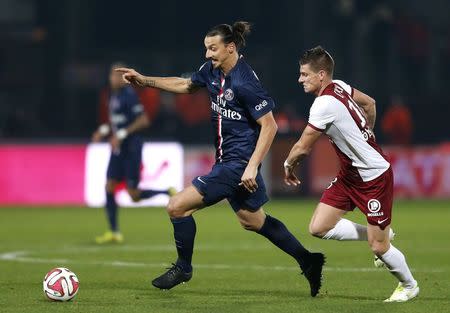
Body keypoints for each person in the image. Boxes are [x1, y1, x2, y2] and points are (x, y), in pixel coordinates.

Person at [116, 22, 325, 296]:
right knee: (253, 220)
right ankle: (309, 261)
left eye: (212, 49)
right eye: (206, 49)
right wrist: (145, 80)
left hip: (237, 166)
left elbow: (270, 125)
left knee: (177, 207)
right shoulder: (212, 71)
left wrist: (251, 167)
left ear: (230, 48)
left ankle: (183, 268)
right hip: (227, 162)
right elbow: (186, 84)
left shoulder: (245, 82)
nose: (207, 55)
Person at [283, 46, 419, 302]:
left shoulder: (323, 103)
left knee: (378, 247)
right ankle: (383, 232)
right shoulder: (341, 86)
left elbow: (303, 146)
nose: (300, 79)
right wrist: (367, 133)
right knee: (319, 227)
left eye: (304, 74)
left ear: (321, 75)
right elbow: (370, 103)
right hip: (350, 175)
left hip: (373, 177)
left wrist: (288, 165)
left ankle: (409, 285)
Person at [92, 62, 173, 244]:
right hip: (119, 148)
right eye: (111, 75)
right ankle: (113, 232)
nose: (112, 79)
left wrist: (121, 134)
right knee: (109, 186)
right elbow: (115, 122)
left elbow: (143, 120)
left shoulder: (129, 95)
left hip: (132, 148)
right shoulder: (112, 96)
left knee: (133, 195)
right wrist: (103, 131)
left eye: (116, 76)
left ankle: (165, 192)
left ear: (124, 79)